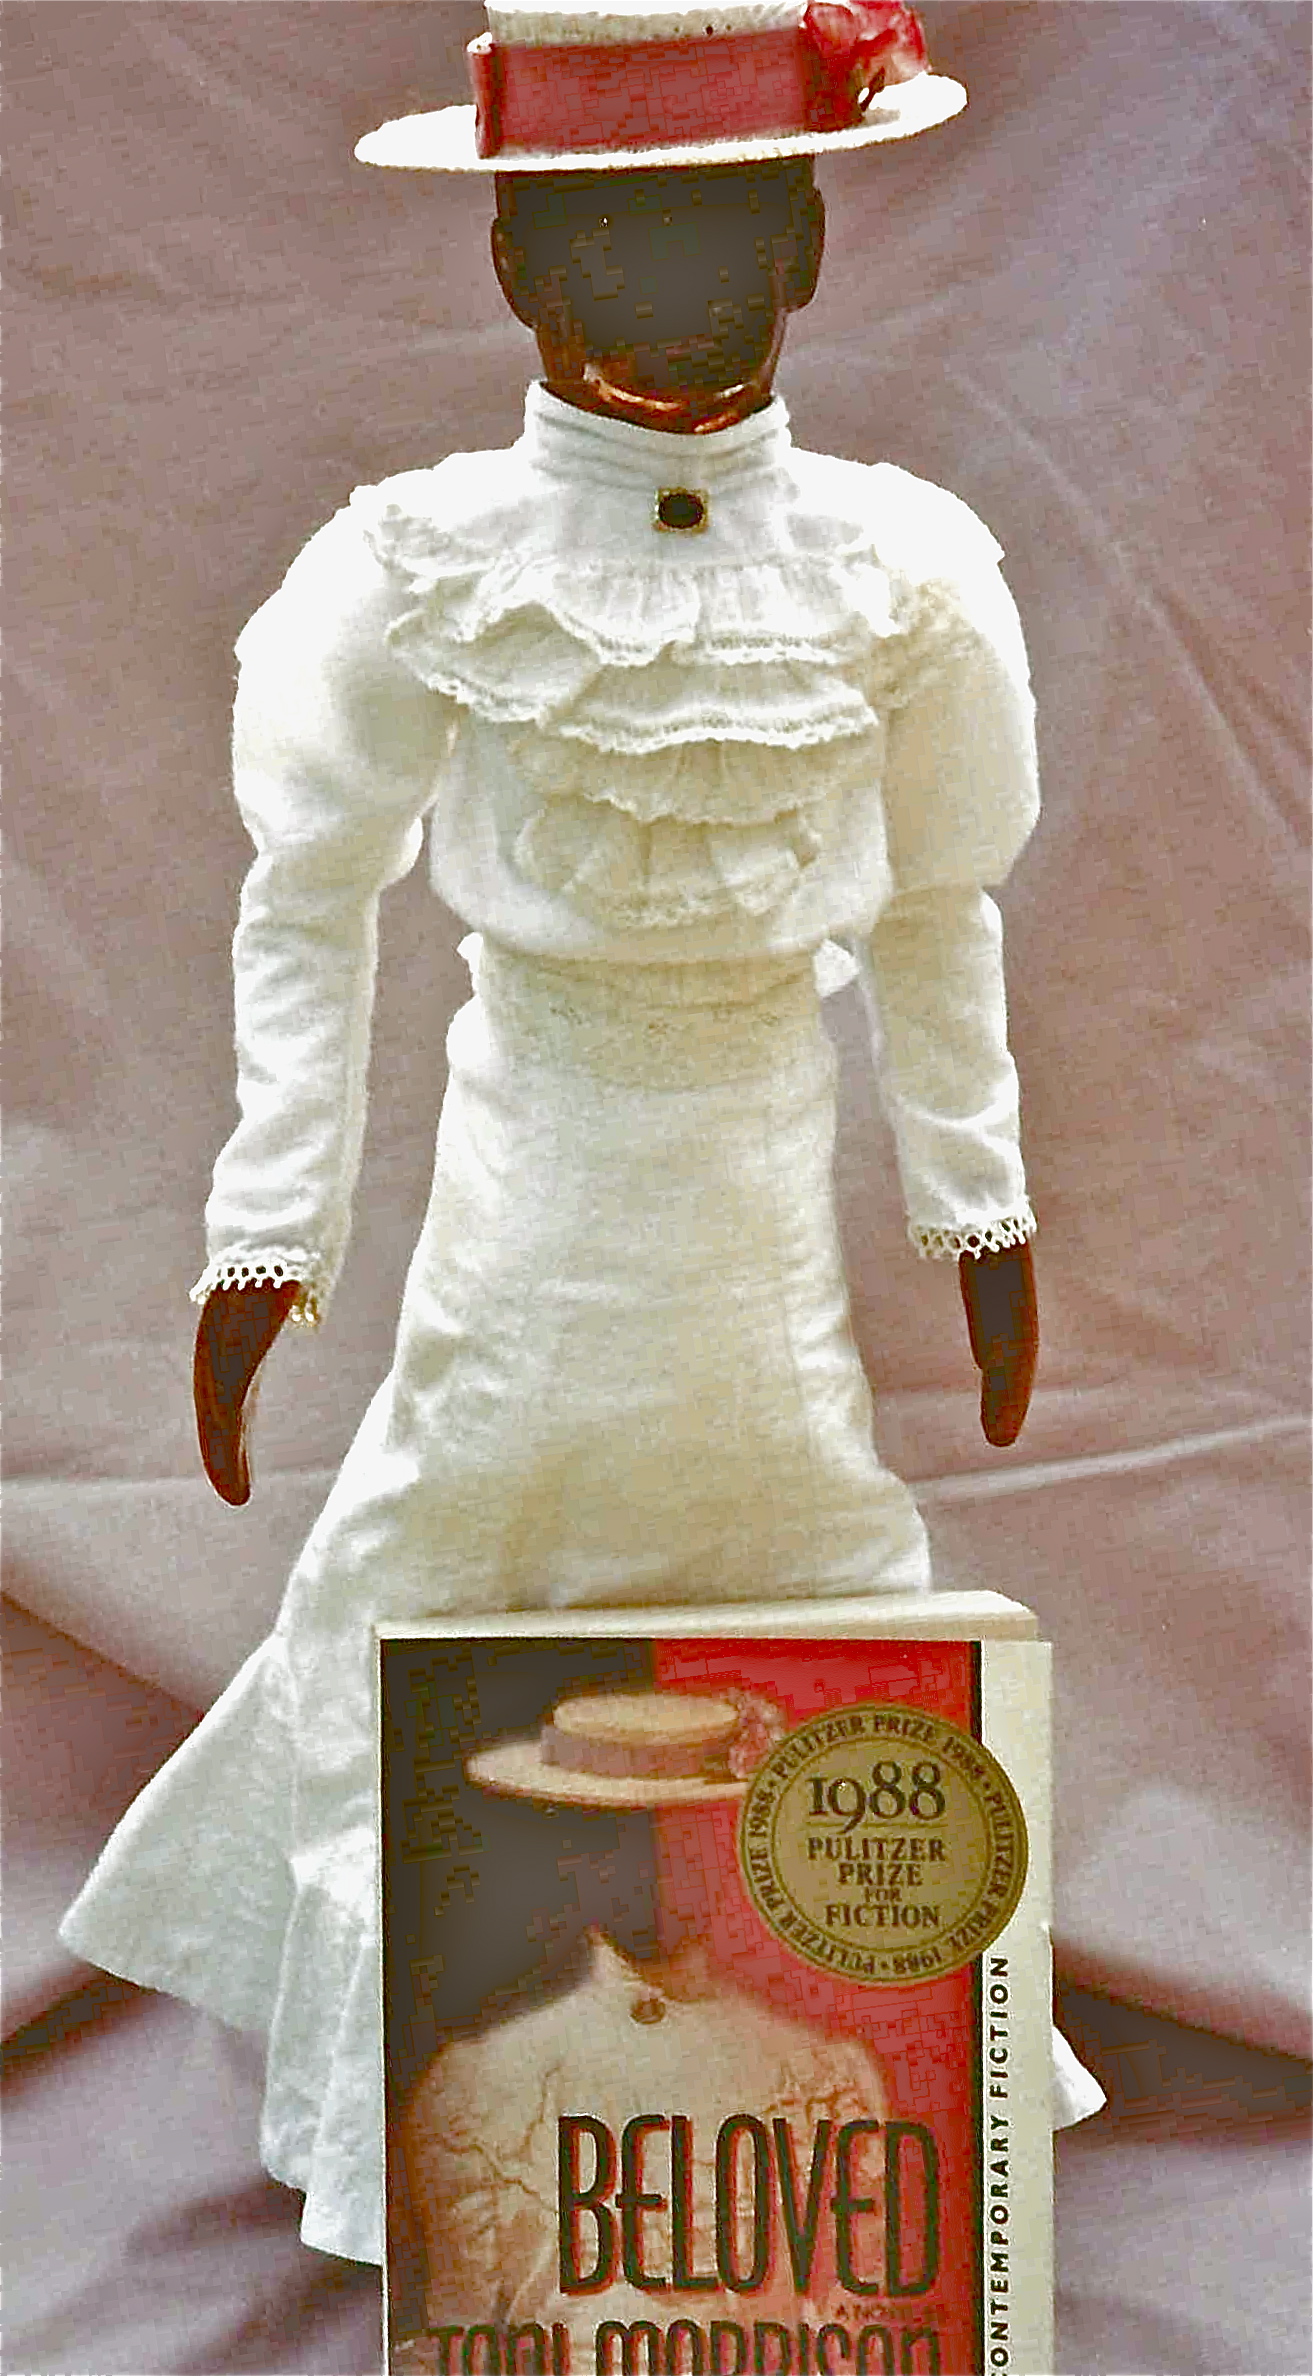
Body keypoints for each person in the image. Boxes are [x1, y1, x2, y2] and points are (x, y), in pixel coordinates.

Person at [61, 0, 1102, 2271]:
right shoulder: (418, 565)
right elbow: (308, 896)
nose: (679, 289)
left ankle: (848, 2103)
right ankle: (437, 2130)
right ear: (512, 262)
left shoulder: (908, 568)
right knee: (441, 1556)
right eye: (610, 239)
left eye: (734, 226)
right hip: (532, 1173)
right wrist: (266, 1238)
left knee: (820, 1551)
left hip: (757, 1182)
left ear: (812, 241)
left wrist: (978, 1202)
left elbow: (941, 901)